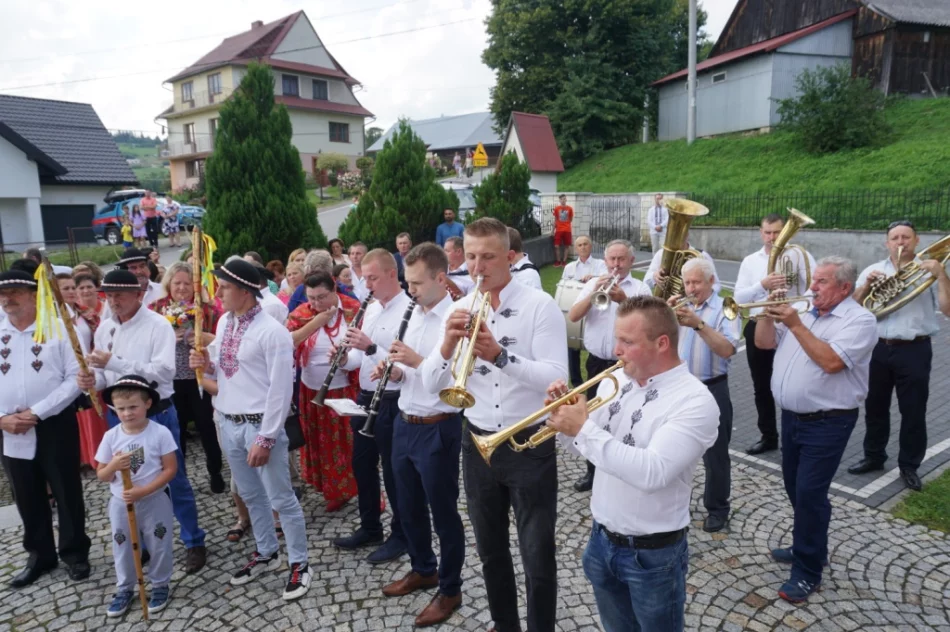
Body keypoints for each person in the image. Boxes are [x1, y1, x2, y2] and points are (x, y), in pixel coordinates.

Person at [423, 217, 567, 632]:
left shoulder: (539, 306)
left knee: (537, 553)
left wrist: (500, 357)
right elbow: (432, 384)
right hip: (478, 441)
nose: (477, 266)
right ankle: (505, 625)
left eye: (487, 256)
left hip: (528, 444)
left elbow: (558, 376)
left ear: (509, 256)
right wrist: (448, 344)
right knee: (490, 549)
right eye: (470, 257)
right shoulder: (458, 308)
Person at [546, 295, 720, 632]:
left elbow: (652, 472)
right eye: (617, 339)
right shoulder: (621, 381)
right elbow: (583, 446)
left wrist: (582, 428)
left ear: (662, 343)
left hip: (651, 556)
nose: (616, 350)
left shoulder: (696, 401)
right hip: (601, 540)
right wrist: (563, 421)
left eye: (627, 341)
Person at [754, 256, 877, 603]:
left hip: (829, 421)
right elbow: (764, 343)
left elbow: (831, 362)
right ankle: (811, 546)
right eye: (814, 280)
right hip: (792, 417)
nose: (812, 288)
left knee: (809, 492)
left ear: (844, 288)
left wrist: (795, 324)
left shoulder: (860, 321)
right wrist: (766, 312)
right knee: (796, 488)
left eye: (822, 282)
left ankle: (808, 571)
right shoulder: (805, 312)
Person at [189, 259, 311, 600]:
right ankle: (266, 550)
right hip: (228, 422)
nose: (218, 293)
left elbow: (280, 389)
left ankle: (300, 563)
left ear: (245, 290)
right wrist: (205, 363)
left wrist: (268, 436)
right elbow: (221, 365)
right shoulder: (227, 321)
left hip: (259, 425)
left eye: (224, 287)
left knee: (281, 498)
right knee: (250, 494)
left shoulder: (273, 332)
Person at [78, 268, 207, 574]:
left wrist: (114, 363)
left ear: (138, 294)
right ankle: (145, 542)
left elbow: (163, 372)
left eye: (119, 295)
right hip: (119, 416)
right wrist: (90, 380)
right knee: (131, 477)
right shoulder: (105, 328)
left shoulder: (157, 325)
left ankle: (193, 541)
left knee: (172, 479)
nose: (113, 301)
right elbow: (105, 378)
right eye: (108, 296)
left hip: (157, 413)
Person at [376, 243, 465, 626]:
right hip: (404, 421)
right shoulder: (413, 313)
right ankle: (423, 567)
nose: (409, 290)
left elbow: (447, 378)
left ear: (440, 278)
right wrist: (396, 371)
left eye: (416, 282)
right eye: (407, 281)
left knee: (444, 513)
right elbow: (411, 374)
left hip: (438, 426)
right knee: (407, 505)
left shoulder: (458, 319)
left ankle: (450, 589)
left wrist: (414, 360)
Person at [0, 270, 91, 589]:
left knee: (66, 490)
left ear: (32, 293)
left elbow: (74, 378)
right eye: (3, 293)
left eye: (15, 291)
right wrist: (1, 418)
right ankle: (39, 554)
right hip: (9, 427)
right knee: (25, 493)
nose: (7, 298)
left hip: (53, 422)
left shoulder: (59, 328)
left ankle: (75, 552)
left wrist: (37, 412)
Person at [848, 220, 950, 491]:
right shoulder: (873, 270)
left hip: (914, 348)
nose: (901, 242)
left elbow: (948, 309)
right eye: (895, 238)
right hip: (878, 347)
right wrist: (867, 286)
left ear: (917, 242)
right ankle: (873, 456)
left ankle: (909, 465)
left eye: (906, 237)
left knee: (913, 410)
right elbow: (853, 307)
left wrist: (941, 275)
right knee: (875, 407)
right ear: (887, 243)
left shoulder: (928, 270)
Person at [332, 249, 412, 563]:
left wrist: (369, 346)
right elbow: (361, 358)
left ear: (393, 274)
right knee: (362, 466)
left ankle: (402, 533)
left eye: (373, 277)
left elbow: (400, 361)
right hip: (365, 396)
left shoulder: (409, 309)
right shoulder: (373, 308)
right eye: (365, 278)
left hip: (392, 398)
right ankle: (370, 526)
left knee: (394, 472)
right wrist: (344, 358)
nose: (368, 284)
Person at [568, 240, 651, 493]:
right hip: (596, 364)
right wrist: (593, 295)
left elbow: (647, 323)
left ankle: (623, 472)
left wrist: (624, 300)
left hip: (627, 365)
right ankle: (592, 473)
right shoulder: (595, 284)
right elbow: (573, 316)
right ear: (605, 260)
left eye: (621, 259)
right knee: (593, 418)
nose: (616, 264)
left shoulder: (640, 287)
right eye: (612, 259)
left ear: (631, 261)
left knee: (626, 418)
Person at [95, 375, 177, 617]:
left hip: (154, 499)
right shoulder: (111, 437)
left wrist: (144, 490)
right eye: (121, 409)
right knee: (123, 545)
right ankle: (125, 588)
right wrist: (113, 466)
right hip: (121, 503)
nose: (128, 413)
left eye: (133, 407)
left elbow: (170, 469)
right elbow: (101, 474)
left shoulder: (160, 433)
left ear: (147, 404)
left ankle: (160, 584)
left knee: (159, 542)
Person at [735, 213, 817, 455]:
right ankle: (768, 435)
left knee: (797, 382)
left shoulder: (799, 255)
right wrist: (763, 285)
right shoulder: (750, 261)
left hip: (791, 325)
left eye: (777, 233)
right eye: (767, 232)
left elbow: (814, 288)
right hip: (759, 323)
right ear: (761, 233)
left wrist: (794, 305)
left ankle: (798, 436)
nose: (772, 238)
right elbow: (739, 298)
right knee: (762, 385)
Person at [669, 258, 740, 533]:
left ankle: (718, 508)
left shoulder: (726, 308)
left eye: (696, 282)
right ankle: (675, 504)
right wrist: (666, 313)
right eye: (687, 282)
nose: (691, 287)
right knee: (674, 450)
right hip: (680, 388)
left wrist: (699, 325)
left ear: (711, 281)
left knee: (716, 455)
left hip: (713, 387)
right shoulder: (681, 307)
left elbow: (727, 349)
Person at [287, 273, 360, 512]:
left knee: (347, 444)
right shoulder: (302, 315)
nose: (316, 304)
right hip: (311, 389)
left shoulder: (353, 310)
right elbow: (287, 343)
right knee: (320, 442)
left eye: (322, 297)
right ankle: (331, 489)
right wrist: (316, 320)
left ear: (335, 291)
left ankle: (357, 487)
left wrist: (346, 358)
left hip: (344, 388)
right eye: (311, 298)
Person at [150, 262, 224, 494]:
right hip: (169, 380)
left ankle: (215, 471)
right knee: (175, 430)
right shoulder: (155, 310)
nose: (182, 288)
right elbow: (148, 345)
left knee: (207, 426)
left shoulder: (206, 310)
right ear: (168, 284)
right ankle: (177, 477)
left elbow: (223, 340)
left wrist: (204, 339)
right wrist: (169, 337)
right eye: (176, 283)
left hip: (200, 377)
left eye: (186, 283)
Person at [645, 236, 721, 295]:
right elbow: (645, 282)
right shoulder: (661, 254)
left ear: (687, 234)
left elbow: (716, 285)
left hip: (695, 306)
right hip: (666, 305)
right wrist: (654, 276)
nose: (677, 236)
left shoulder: (702, 255)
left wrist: (700, 291)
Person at [552, 194, 574, 267]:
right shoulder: (557, 209)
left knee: (566, 246)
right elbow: (555, 220)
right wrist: (552, 231)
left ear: (566, 200)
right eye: (561, 199)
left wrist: (566, 224)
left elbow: (570, 219)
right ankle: (558, 261)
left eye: (564, 199)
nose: (563, 200)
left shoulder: (570, 209)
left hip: (567, 230)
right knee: (556, 246)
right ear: (559, 200)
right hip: (559, 230)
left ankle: (564, 261)